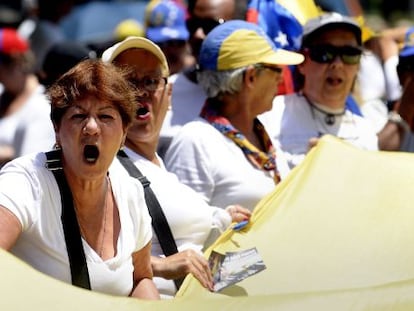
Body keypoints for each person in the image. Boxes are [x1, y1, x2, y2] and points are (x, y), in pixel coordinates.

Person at [101, 35, 251, 298]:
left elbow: (197, 269)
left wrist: (231, 225)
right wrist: (160, 265)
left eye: (150, 81)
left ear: (168, 94)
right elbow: (94, 258)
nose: (140, 92)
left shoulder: (159, 167)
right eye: (127, 82)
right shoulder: (105, 168)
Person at [0, 59, 160, 299]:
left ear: (124, 133)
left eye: (106, 117)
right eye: (78, 116)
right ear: (57, 129)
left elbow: (141, 279)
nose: (92, 128)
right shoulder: (26, 181)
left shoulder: (131, 192)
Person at [164, 20, 304, 211]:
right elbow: (183, 232)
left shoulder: (264, 135)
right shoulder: (195, 141)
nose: (281, 78)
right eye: (276, 70)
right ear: (251, 78)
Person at [260, 12, 379, 169]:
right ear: (302, 62)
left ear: (358, 65)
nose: (337, 64)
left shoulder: (366, 131)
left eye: (349, 54)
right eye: (324, 53)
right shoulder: (271, 115)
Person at [158, 0, 248, 157]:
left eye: (210, 26)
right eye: (193, 25)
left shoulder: (262, 93)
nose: (198, 34)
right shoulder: (161, 96)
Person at [0, 28, 54, 167]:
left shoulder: (41, 105)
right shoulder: (3, 94)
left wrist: (8, 153)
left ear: (16, 63)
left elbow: (33, 161)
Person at [377, 27, 414, 152]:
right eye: (412, 66)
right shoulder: (377, 112)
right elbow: (373, 159)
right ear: (400, 74)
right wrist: (403, 113)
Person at [144, 0, 194, 75]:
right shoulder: (139, 75)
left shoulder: (200, 74)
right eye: (162, 43)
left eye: (178, 43)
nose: (171, 50)